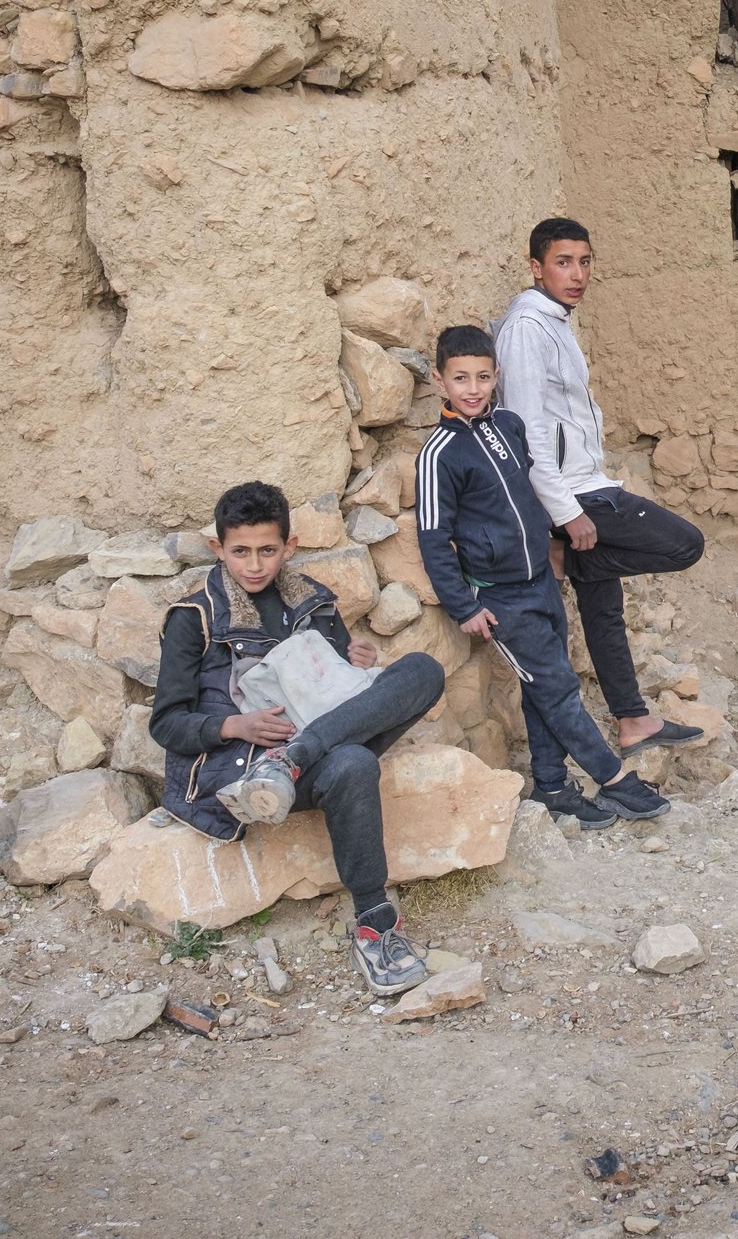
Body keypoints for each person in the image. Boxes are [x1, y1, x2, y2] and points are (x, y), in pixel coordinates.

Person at [148, 481, 448, 996]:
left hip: (305, 750)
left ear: (288, 548)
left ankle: (293, 759)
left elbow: (332, 693)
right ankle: (377, 926)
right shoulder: (193, 619)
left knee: (423, 668)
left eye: (267, 550)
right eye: (240, 551)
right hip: (245, 769)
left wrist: (352, 667)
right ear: (219, 549)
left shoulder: (312, 603)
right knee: (353, 763)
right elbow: (166, 723)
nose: (255, 564)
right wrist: (232, 726)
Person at [416, 324, 672, 829]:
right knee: (556, 687)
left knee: (543, 687)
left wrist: (550, 546)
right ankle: (614, 780)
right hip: (499, 597)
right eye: (461, 378)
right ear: (438, 380)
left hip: (541, 583)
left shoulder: (508, 426)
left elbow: (531, 493)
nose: (473, 389)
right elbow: (432, 539)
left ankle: (553, 786)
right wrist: (464, 606)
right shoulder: (439, 454)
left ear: (497, 377)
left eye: (483, 377)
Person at [497, 217, 705, 753]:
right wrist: (565, 512)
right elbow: (525, 430)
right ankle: (566, 557)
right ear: (535, 267)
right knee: (685, 544)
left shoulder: (556, 321)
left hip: (585, 481)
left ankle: (633, 720)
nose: (578, 274)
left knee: (603, 610)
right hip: (576, 491)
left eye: (585, 262)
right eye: (563, 263)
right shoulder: (527, 328)